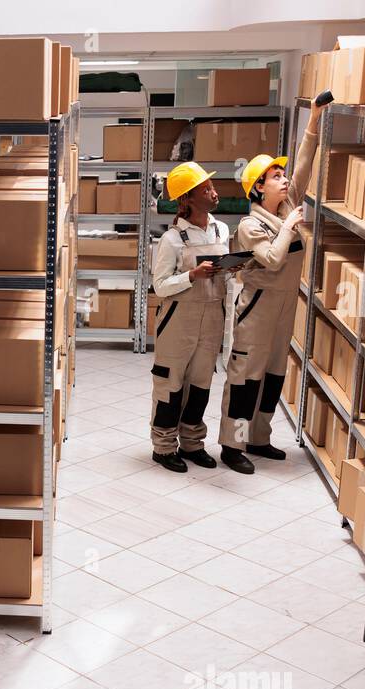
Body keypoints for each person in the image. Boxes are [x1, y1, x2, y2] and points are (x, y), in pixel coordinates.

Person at [217, 97, 328, 474]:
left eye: (282, 175)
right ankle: (233, 444)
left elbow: (304, 164)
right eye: (276, 177)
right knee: (246, 377)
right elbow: (272, 259)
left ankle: (259, 438)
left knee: (273, 374)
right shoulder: (252, 226)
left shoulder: (287, 205)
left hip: (285, 306)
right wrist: (289, 226)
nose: (284, 179)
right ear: (258, 188)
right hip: (257, 307)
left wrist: (313, 120)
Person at [147, 161, 229, 472]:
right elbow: (160, 285)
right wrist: (191, 276)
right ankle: (164, 446)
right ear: (188, 199)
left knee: (200, 384)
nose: (214, 193)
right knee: (171, 385)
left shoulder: (222, 230)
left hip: (211, 318)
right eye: (206, 189)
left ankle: (193, 443)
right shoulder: (172, 240)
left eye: (212, 187)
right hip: (177, 321)